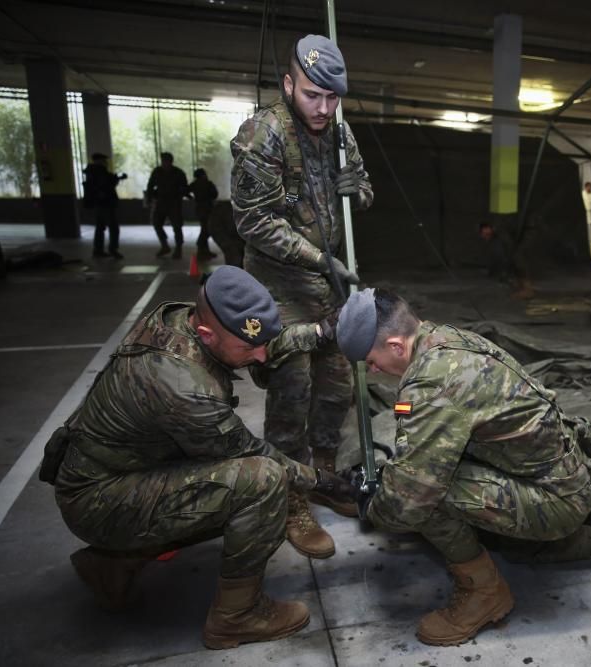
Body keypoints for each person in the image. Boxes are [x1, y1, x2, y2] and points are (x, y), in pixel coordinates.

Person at [333, 288, 591, 646]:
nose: (375, 370)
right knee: (514, 545)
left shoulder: (430, 384)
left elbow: (408, 500)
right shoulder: (446, 339)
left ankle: (484, 594)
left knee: (425, 494)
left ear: (396, 345)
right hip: (562, 481)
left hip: (552, 497)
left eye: (373, 360)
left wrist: (373, 505)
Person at [42, 266, 350, 649]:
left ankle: (111, 565)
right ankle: (236, 617)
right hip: (97, 500)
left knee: (235, 485)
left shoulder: (191, 320)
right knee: (262, 482)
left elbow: (258, 338)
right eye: (247, 349)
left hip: (125, 472)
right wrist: (325, 482)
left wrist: (319, 333)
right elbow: (251, 453)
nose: (259, 357)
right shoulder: (183, 388)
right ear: (206, 335)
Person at [231, 34, 373, 554]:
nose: (323, 107)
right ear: (289, 84)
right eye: (313, 95)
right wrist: (320, 258)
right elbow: (253, 221)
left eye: (333, 97)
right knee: (292, 389)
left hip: (331, 283)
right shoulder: (263, 133)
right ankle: (289, 495)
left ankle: (327, 475)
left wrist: (357, 189)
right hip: (280, 285)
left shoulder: (338, 130)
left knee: (337, 385)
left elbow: (364, 189)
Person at [82, 152, 126, 260]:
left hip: (98, 204)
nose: (106, 162)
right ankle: (113, 249)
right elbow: (107, 185)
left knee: (100, 227)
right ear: (100, 161)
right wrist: (116, 179)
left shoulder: (91, 172)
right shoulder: (100, 172)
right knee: (114, 227)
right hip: (106, 204)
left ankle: (98, 250)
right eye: (104, 160)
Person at [147, 152, 189, 260]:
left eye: (166, 161)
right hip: (161, 202)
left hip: (174, 203)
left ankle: (178, 248)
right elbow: (150, 185)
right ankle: (164, 245)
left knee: (177, 226)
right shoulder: (157, 171)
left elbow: (184, 187)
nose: (164, 163)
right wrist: (149, 198)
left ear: (170, 161)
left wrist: (182, 194)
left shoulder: (178, 173)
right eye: (163, 161)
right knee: (156, 223)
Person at [189, 168, 219, 260]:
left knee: (205, 228)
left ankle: (204, 251)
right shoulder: (208, 183)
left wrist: (192, 198)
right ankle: (201, 247)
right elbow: (215, 194)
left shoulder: (194, 184)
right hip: (208, 209)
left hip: (199, 209)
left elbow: (185, 191)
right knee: (206, 230)